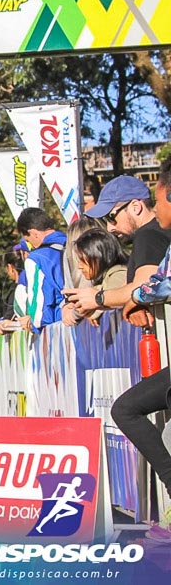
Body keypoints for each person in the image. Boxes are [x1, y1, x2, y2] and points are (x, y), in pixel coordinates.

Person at [110, 159, 171, 542]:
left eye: (113, 214)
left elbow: (156, 285)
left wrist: (103, 297)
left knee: (125, 408)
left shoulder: (150, 237)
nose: (111, 226)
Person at [64, 175, 171, 318]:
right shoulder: (154, 232)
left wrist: (97, 299)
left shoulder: (147, 235)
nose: (109, 228)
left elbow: (143, 287)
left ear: (135, 207)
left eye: (111, 217)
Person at [15, 207, 67, 332]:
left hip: (59, 329)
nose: (31, 246)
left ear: (34, 233)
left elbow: (39, 314)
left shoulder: (36, 258)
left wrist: (31, 323)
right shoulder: (76, 244)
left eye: (28, 241)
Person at [70, 229, 127, 326]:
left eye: (83, 260)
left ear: (99, 257)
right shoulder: (107, 277)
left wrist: (93, 310)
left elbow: (114, 295)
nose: (80, 266)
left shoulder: (119, 273)